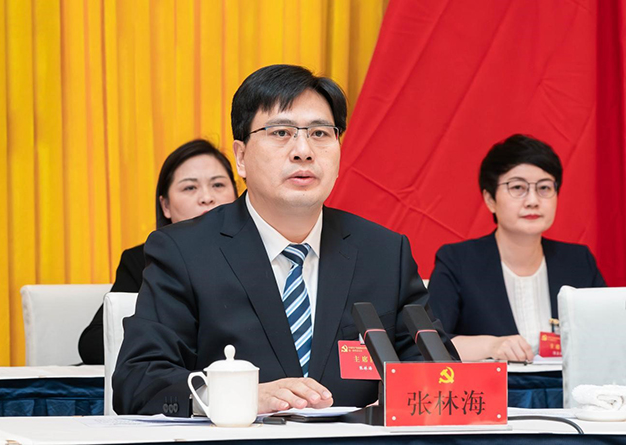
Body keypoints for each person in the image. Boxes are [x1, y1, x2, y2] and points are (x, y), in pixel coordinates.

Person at [112, 64, 458, 417]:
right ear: (241, 157)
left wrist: (402, 401)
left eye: (320, 133)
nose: (303, 150)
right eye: (281, 132)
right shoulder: (185, 252)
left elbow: (443, 375)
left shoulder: (384, 253)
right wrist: (240, 397)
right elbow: (138, 381)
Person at [428, 134, 605, 362]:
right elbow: (429, 342)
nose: (532, 201)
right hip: (495, 384)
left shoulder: (578, 261)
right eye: (518, 187)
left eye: (544, 188)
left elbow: (609, 334)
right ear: (490, 199)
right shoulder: (458, 261)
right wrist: (491, 346)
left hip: (567, 384)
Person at [78, 140, 238, 364]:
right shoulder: (145, 259)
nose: (206, 197)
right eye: (190, 188)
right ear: (166, 206)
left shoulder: (261, 254)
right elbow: (94, 343)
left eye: (218, 185)